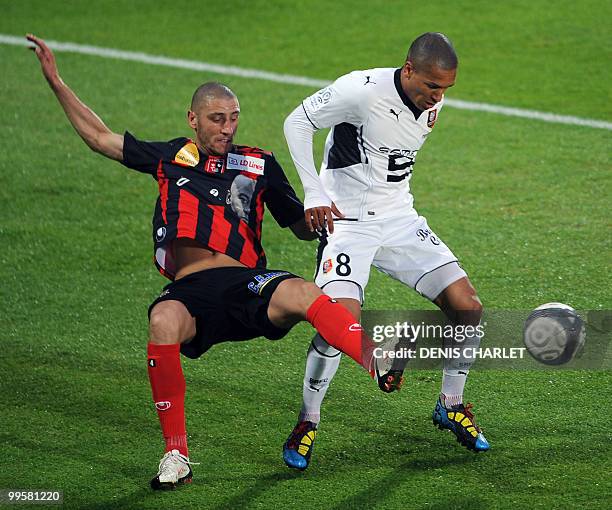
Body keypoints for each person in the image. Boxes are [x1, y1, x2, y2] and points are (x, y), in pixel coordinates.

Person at [27, 34, 403, 490]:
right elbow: (99, 137)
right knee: (163, 320)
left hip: (245, 282)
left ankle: (374, 358)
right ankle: (175, 455)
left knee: (305, 292)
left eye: (234, 119)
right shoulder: (171, 156)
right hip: (191, 291)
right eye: (217, 119)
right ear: (194, 119)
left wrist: (317, 218)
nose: (227, 128)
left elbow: (298, 224)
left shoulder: (259, 164)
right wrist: (56, 80)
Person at [282, 32, 490, 470]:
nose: (437, 97)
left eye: (446, 89)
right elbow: (296, 122)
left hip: (400, 219)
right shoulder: (360, 91)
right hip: (346, 223)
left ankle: (450, 404)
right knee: (337, 324)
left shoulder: (433, 100)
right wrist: (313, 192)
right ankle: (308, 419)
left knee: (468, 307)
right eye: (431, 86)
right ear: (408, 69)